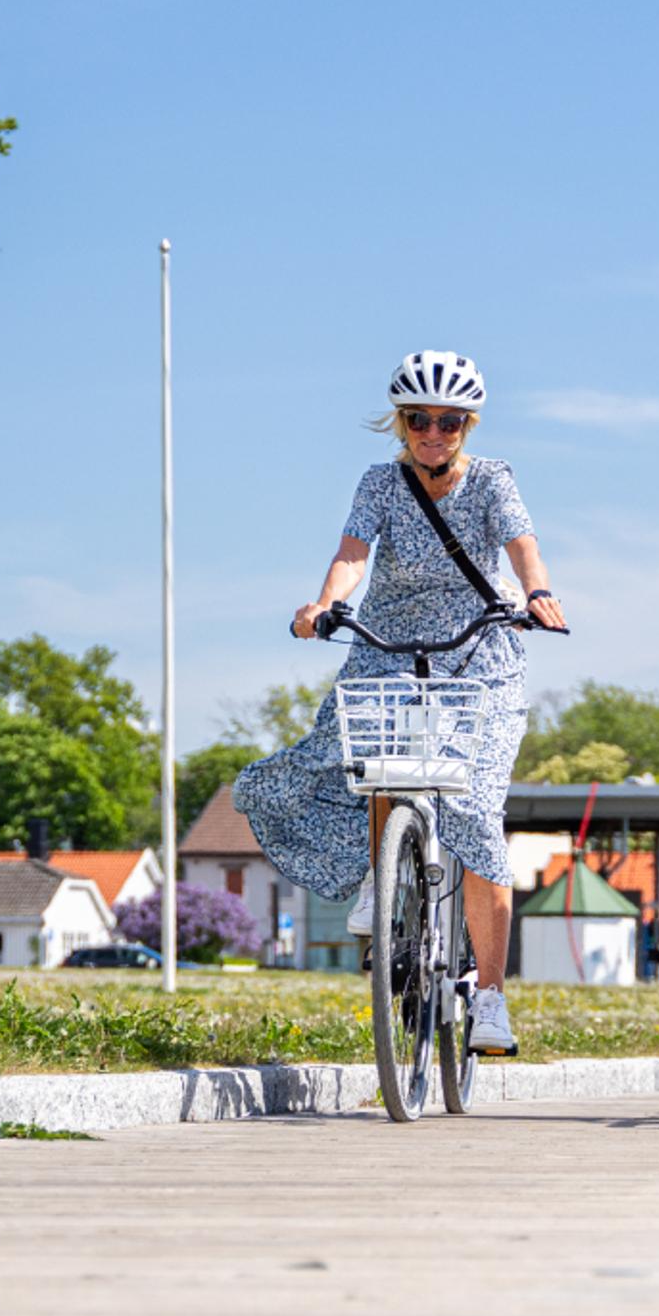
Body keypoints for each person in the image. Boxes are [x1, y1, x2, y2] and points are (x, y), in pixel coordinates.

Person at [232, 352, 565, 1054]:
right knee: (362, 756)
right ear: (401, 423)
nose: (433, 432)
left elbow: (522, 545)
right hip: (388, 640)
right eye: (419, 419)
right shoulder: (380, 483)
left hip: (481, 654)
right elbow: (353, 553)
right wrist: (327, 604)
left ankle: (492, 1000)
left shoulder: (494, 481)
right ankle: (383, 877)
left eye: (448, 421)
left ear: (467, 425)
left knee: (474, 810)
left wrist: (536, 592)